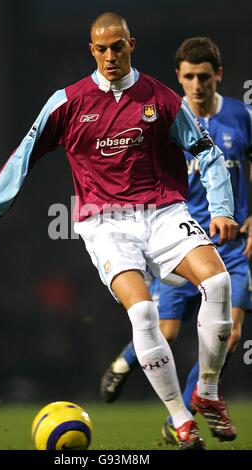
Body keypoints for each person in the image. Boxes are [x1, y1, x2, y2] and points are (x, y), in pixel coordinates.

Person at [0, 14, 239, 450]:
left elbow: (206, 153)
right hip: (105, 223)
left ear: (131, 44)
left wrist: (222, 207)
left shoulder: (161, 98)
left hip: (164, 212)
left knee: (219, 281)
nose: (110, 56)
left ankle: (207, 391)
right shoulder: (67, 102)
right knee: (145, 314)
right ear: (91, 50)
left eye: (118, 46)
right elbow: (25, 154)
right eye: (101, 48)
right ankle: (180, 419)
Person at [100, 36, 252, 445]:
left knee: (231, 333)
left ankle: (184, 414)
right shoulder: (165, 117)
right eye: (189, 77)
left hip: (230, 248)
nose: (197, 84)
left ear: (218, 75)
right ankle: (124, 361)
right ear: (179, 79)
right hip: (178, 242)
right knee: (163, 333)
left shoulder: (242, 116)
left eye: (204, 76)